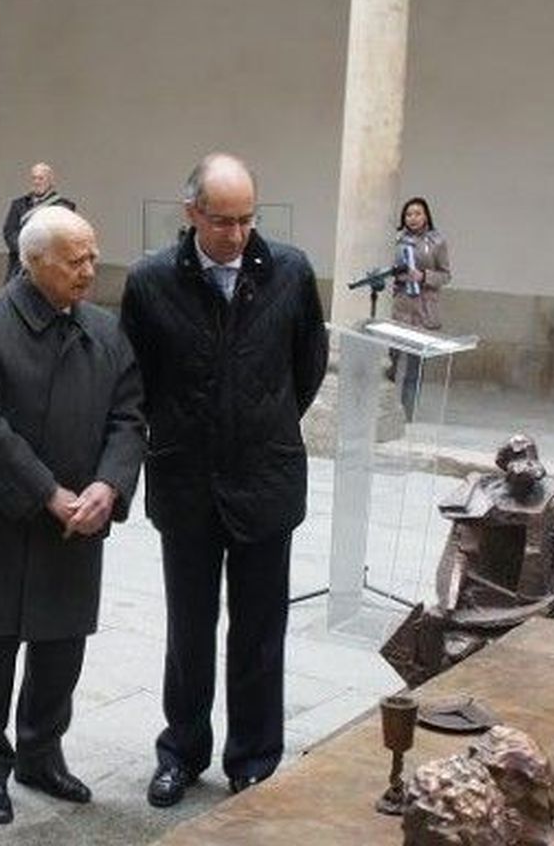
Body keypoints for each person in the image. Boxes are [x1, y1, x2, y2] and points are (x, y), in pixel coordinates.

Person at [119, 153, 328, 806]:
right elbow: (136, 380)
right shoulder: (152, 281)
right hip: (187, 484)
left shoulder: (289, 272)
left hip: (266, 479)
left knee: (261, 630)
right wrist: (189, 432)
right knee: (189, 628)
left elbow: (308, 365)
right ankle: (181, 751)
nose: (237, 236)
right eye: (223, 222)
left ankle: (255, 757)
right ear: (192, 215)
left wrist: (259, 423)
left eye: (246, 220)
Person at [0, 205, 146, 825]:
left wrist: (108, 487)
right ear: (34, 264)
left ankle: (40, 752)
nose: (89, 270)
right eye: (74, 259)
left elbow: (129, 417)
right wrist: (47, 492)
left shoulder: (105, 332)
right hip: (0, 520)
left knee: (61, 647)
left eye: (92, 256)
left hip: (78, 523)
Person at [389, 196, 451, 420]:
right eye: (408, 214)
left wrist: (424, 276)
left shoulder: (437, 241)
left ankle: (407, 415)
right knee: (391, 362)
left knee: (415, 367)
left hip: (423, 308)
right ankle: (386, 410)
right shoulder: (396, 240)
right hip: (400, 306)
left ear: (426, 216)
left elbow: (446, 275)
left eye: (417, 213)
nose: (412, 218)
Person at [1, 163, 76, 282]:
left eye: (41, 178)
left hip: (48, 265)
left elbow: (65, 235)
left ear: (51, 181)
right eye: (34, 178)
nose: (37, 182)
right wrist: (26, 251)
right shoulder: (18, 204)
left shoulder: (64, 206)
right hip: (20, 265)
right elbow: (9, 232)